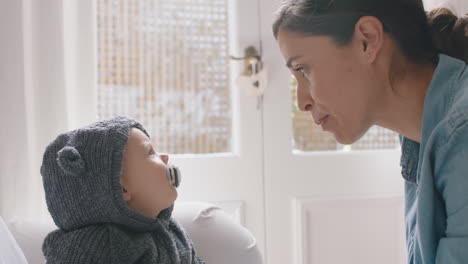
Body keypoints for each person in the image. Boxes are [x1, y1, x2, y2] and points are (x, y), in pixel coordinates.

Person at [272, 0, 468, 263]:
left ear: (367, 39)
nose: (302, 102)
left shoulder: (461, 133)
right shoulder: (420, 135)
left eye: (303, 69)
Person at [40, 116, 204, 263]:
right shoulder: (101, 246)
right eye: (150, 152)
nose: (165, 157)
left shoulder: (172, 231)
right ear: (122, 189)